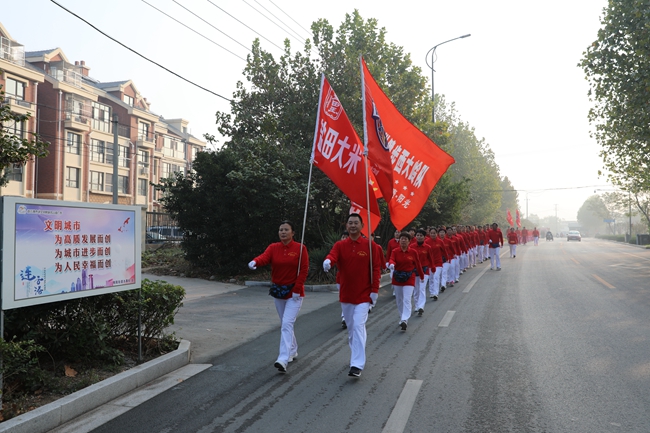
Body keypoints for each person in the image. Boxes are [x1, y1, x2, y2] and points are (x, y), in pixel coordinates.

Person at [324, 214, 381, 378]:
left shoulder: (371, 246)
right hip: (347, 294)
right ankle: (356, 353)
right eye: (350, 223)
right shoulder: (340, 245)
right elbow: (333, 255)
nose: (353, 225)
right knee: (352, 329)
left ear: (362, 226)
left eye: (356, 223)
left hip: (364, 294)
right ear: (347, 226)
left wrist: (374, 291)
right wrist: (328, 261)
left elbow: (376, 269)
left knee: (357, 325)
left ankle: (356, 364)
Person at [248, 220, 309, 373]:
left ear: (293, 233)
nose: (283, 232)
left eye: (286, 229)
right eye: (281, 229)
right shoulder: (273, 247)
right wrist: (255, 262)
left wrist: (297, 288)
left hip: (294, 293)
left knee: (287, 323)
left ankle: (283, 358)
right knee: (285, 323)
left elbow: (304, 270)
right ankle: (293, 349)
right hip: (278, 291)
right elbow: (264, 257)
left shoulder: (300, 248)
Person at [388, 232, 424, 330]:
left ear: (409, 241)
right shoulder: (395, 251)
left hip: (409, 277)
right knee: (399, 299)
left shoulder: (413, 252)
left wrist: (421, 276)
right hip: (397, 277)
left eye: (405, 239)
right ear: (399, 241)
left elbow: (418, 265)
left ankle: (405, 319)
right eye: (402, 239)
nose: (403, 240)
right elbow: (391, 259)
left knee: (407, 299)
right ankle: (402, 317)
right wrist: (391, 264)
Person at [412, 229, 433, 315]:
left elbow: (430, 258)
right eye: (418, 235)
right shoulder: (412, 247)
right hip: (414, 270)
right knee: (416, 289)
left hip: (424, 270)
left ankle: (421, 306)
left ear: (424, 237)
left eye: (421, 235)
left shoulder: (428, 247)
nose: (419, 237)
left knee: (422, 288)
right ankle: (417, 305)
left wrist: (433, 267)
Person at [337, 231, 349, 329]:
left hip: (353, 279)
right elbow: (333, 256)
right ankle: (344, 316)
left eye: (346, 237)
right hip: (340, 278)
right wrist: (329, 261)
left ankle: (345, 317)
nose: (344, 238)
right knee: (343, 297)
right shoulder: (338, 247)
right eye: (343, 237)